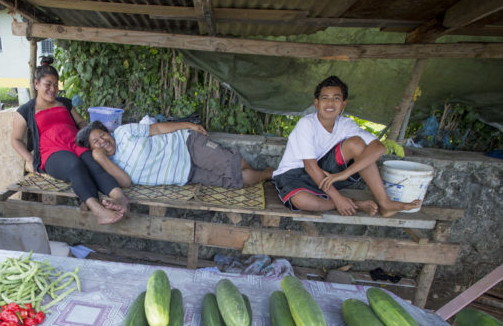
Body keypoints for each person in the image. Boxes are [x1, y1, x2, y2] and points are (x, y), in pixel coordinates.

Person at [272, 75, 421, 217]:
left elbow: (379, 147)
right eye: (325, 98)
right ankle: (353, 203)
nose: (330, 103)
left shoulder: (346, 125)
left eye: (336, 98)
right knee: (301, 201)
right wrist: (338, 199)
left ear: (343, 104)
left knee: (357, 144)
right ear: (316, 103)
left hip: (326, 175)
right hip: (294, 175)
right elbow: (311, 167)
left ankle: (385, 203)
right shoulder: (307, 124)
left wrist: (345, 173)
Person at [10, 62, 128, 224]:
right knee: (75, 165)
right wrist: (29, 159)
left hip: (76, 145)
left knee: (94, 165)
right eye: (48, 84)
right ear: (36, 84)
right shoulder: (26, 110)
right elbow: (15, 139)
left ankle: (119, 198)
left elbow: (81, 122)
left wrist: (89, 138)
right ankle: (96, 209)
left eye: (56, 85)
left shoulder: (64, 103)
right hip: (52, 153)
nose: (53, 89)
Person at [75, 120, 274, 189]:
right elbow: (125, 182)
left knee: (234, 166)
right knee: (239, 180)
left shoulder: (125, 133)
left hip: (187, 146)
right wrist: (100, 158)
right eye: (96, 142)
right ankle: (266, 174)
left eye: (102, 135)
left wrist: (189, 125)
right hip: (186, 175)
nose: (103, 141)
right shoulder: (108, 165)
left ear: (108, 132)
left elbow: (158, 129)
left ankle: (271, 173)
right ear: (93, 149)